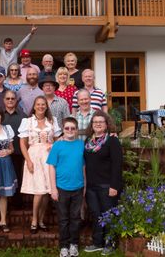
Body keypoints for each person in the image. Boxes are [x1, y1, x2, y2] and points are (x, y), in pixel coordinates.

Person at [18, 96, 62, 234]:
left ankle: (41, 220)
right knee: (39, 191)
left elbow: (58, 140)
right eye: (38, 104)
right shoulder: (27, 121)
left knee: (47, 191)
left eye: (43, 104)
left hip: (49, 157)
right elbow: (22, 144)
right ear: (34, 106)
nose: (41, 106)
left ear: (46, 106)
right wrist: (28, 161)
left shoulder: (52, 121)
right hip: (34, 156)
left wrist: (52, 146)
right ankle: (34, 219)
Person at [83, 110, 123, 255]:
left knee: (108, 214)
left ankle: (110, 242)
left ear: (106, 125)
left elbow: (117, 164)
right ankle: (97, 242)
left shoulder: (112, 140)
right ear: (92, 125)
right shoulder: (87, 141)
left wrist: (114, 186)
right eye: (95, 122)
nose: (98, 124)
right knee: (95, 213)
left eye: (101, 122)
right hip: (91, 186)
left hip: (107, 185)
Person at [47, 117, 85, 257]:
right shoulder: (57, 145)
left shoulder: (81, 144)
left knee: (75, 218)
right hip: (61, 188)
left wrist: (85, 185)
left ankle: (74, 244)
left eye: (73, 128)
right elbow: (51, 166)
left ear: (76, 130)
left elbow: (84, 166)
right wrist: (53, 188)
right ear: (63, 130)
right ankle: (64, 246)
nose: (70, 130)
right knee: (63, 219)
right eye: (67, 128)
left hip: (78, 187)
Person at [2, 90, 27, 207]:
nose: (10, 100)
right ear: (4, 100)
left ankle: (17, 202)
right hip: (2, 154)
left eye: (12, 98)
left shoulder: (23, 116)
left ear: (16, 100)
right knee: (4, 178)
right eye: (8, 98)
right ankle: (4, 203)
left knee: (17, 177)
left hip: (18, 152)